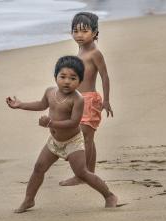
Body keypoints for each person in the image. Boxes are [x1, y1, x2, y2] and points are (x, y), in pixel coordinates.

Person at [6, 56, 117, 213]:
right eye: (62, 76)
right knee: (38, 167)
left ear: (79, 81)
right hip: (54, 142)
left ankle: (109, 195)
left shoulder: (77, 99)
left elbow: (73, 122)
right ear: (55, 76)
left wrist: (51, 123)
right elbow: (41, 104)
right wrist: (20, 105)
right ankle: (29, 200)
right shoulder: (50, 92)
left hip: (72, 142)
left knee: (82, 173)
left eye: (73, 78)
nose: (67, 81)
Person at [59, 12, 114, 186]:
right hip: (77, 99)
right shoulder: (81, 50)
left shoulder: (95, 53)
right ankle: (89, 172)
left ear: (95, 33)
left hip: (90, 100)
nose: (79, 35)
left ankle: (82, 175)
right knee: (85, 138)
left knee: (85, 138)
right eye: (75, 31)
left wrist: (106, 100)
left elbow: (105, 76)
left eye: (84, 31)